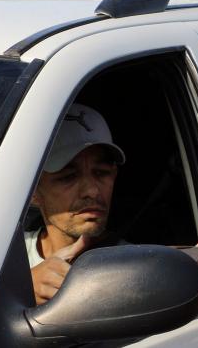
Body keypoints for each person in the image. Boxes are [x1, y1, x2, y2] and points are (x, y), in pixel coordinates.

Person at [27, 103, 127, 305]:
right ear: (33, 192)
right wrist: (22, 289)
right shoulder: (2, 259)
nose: (92, 191)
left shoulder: (135, 268)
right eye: (68, 177)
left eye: (102, 173)